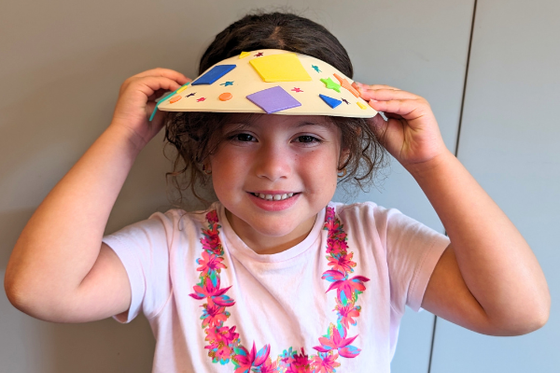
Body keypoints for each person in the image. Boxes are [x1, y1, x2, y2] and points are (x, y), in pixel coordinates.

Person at [4, 11, 550, 373]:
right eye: (243, 136)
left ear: (344, 150)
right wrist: (124, 139)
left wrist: (431, 163)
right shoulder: (171, 247)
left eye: (306, 137)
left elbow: (518, 311)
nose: (274, 166)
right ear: (206, 149)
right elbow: (40, 289)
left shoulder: (378, 239)